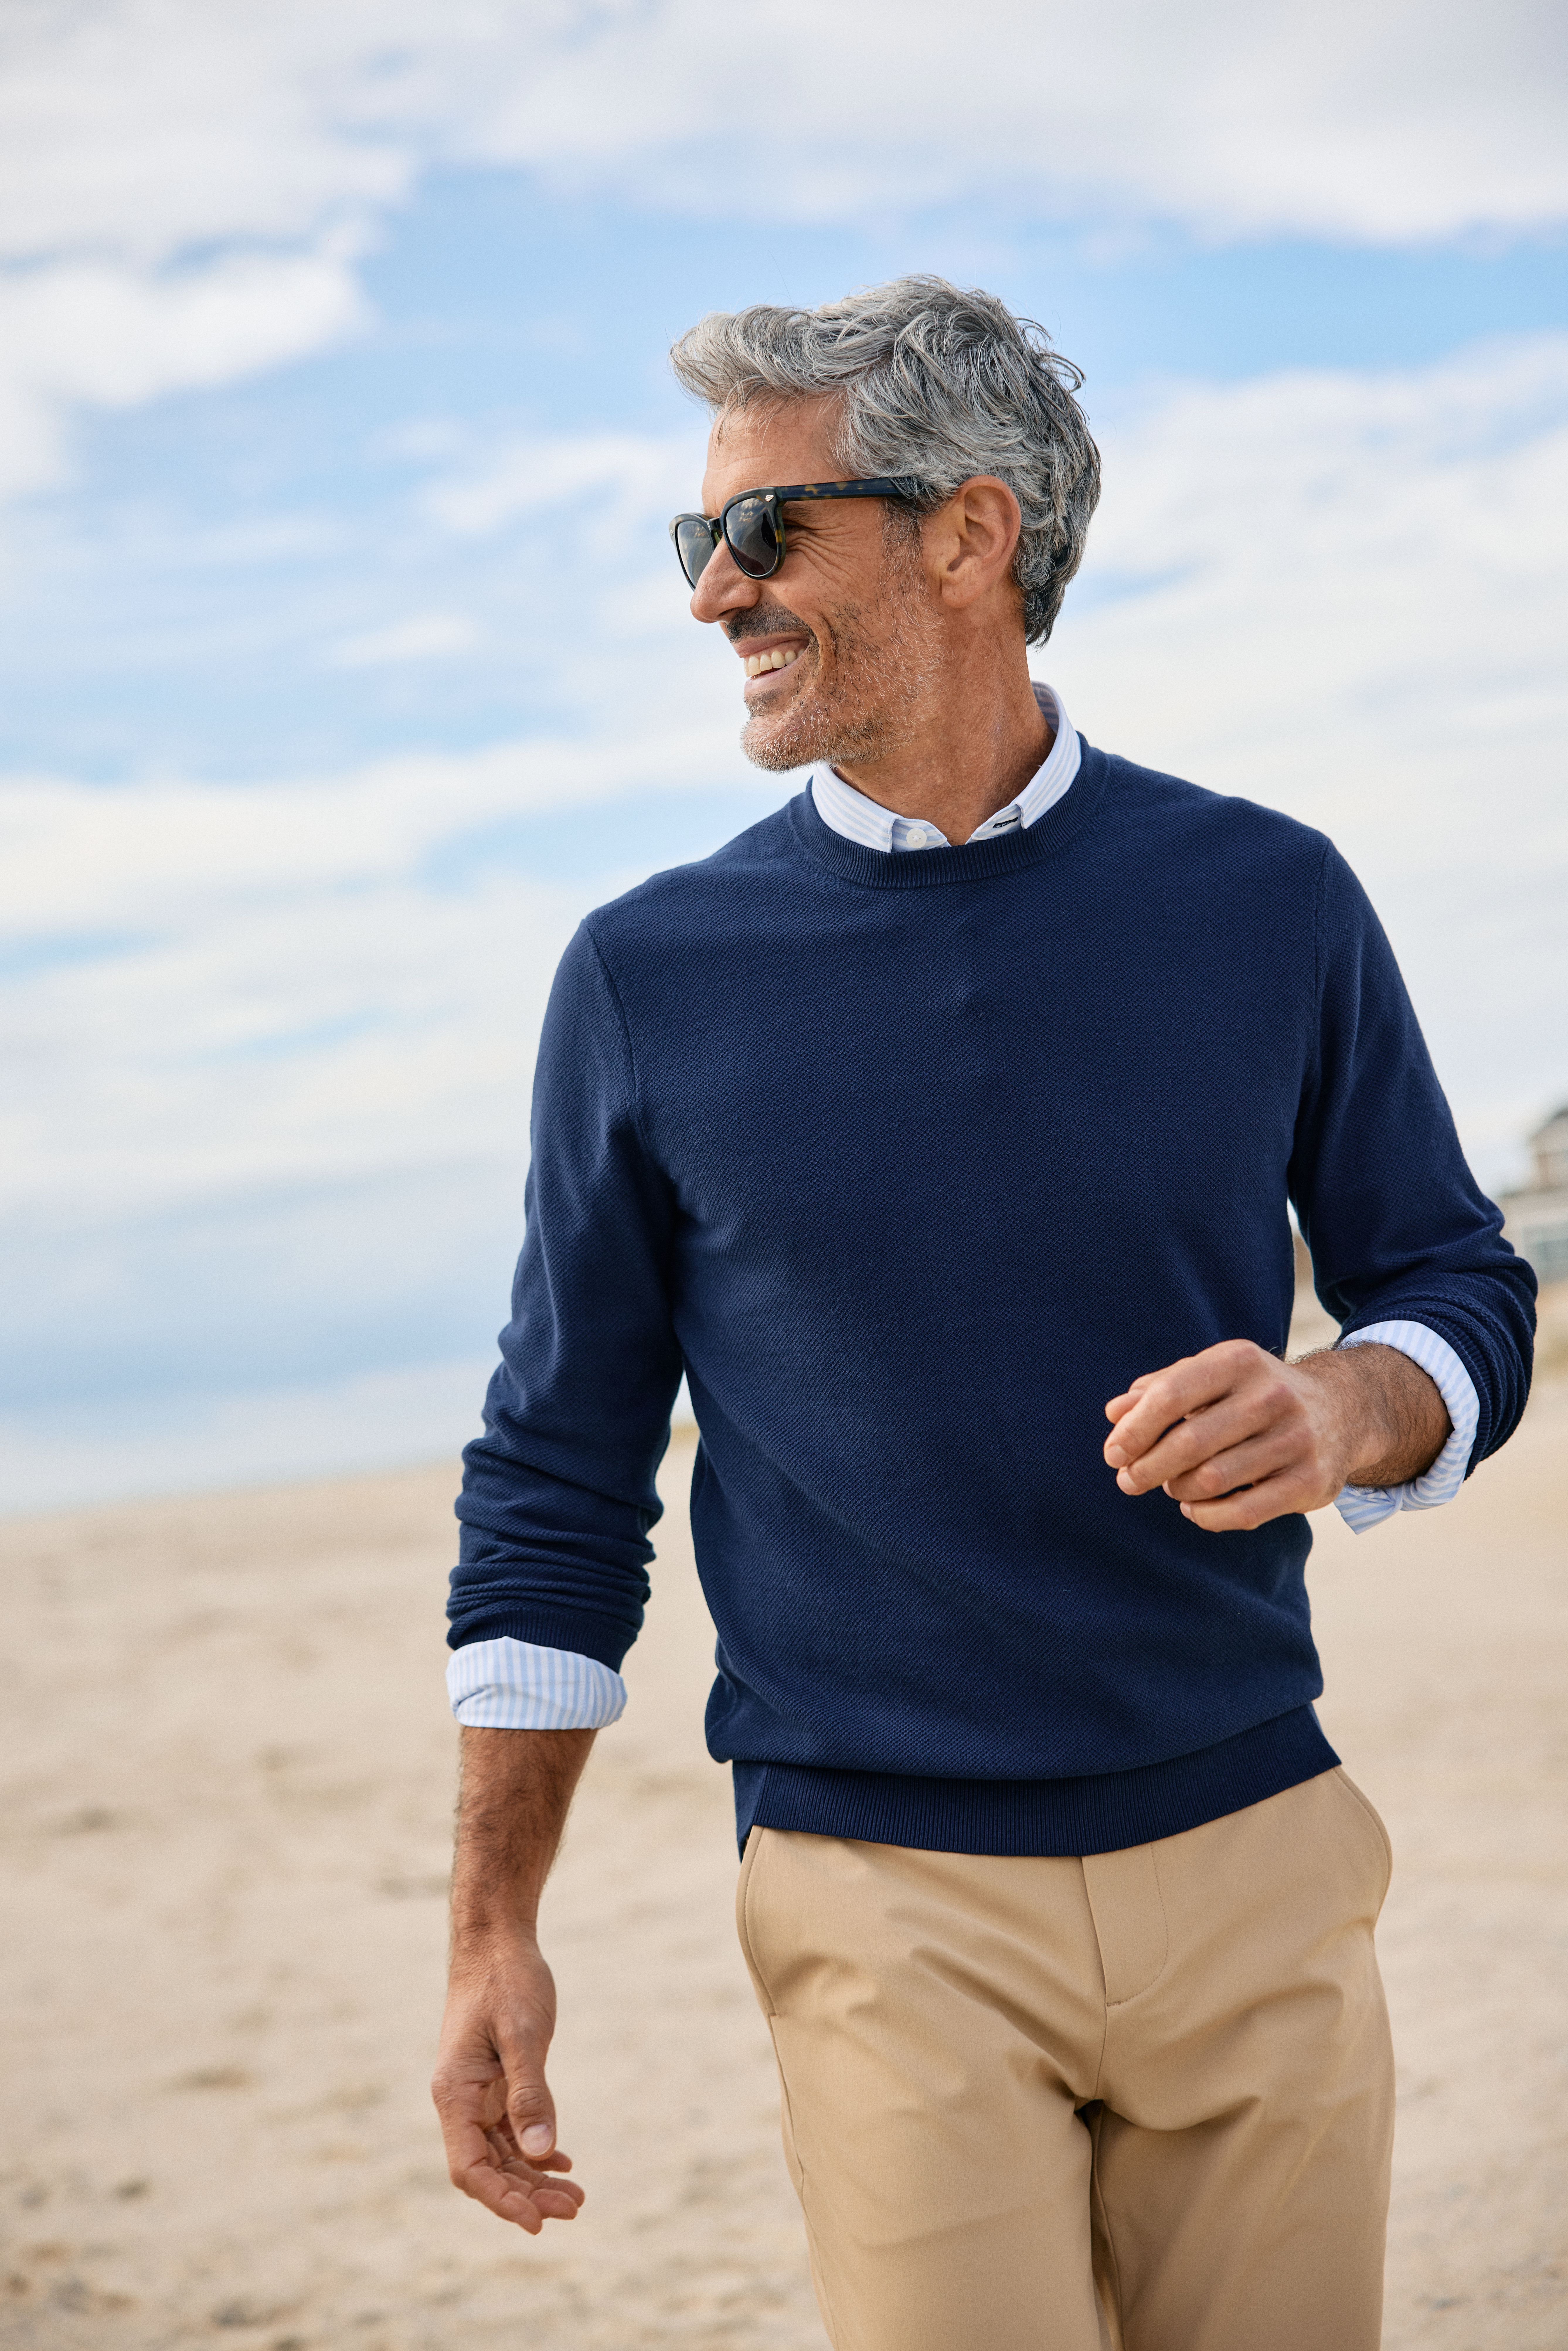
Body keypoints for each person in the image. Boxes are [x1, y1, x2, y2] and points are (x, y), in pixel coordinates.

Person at [429, 278, 1535, 2351]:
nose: (711, 594)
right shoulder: (647, 975)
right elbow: (559, 1479)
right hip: (879, 1893)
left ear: (968, 531)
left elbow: (1456, 1285)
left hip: (1260, 1847)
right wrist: (492, 1929)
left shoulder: (1269, 895)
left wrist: (1346, 1405)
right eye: (699, 541)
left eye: (763, 533)